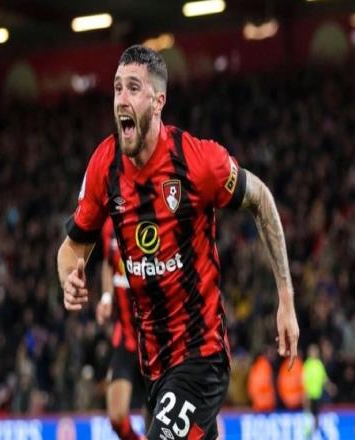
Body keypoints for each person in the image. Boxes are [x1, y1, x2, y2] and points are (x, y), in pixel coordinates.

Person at [58, 45, 299, 439]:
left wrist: (285, 298)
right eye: (117, 88)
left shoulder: (198, 162)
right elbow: (72, 248)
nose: (121, 98)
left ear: (158, 102)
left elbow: (262, 199)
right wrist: (68, 276)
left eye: (133, 88)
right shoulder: (105, 164)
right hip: (153, 364)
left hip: (201, 355)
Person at [97, 217, 145, 440]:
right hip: (125, 336)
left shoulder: (155, 218)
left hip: (156, 339)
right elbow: (108, 263)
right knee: (116, 417)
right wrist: (106, 297)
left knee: (158, 418)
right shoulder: (110, 224)